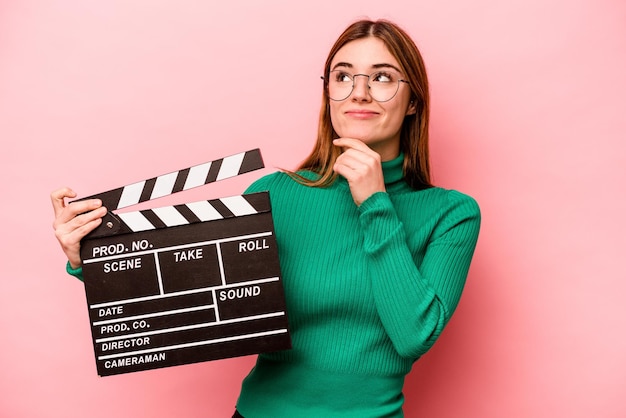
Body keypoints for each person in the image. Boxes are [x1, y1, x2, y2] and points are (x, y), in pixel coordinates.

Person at [51, 19, 480, 418]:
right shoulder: (275, 193)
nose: (359, 92)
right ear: (328, 92)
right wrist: (88, 258)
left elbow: (413, 336)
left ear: (412, 102)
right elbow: (192, 300)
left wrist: (374, 203)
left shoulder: (451, 214)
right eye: (343, 76)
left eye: (383, 77)